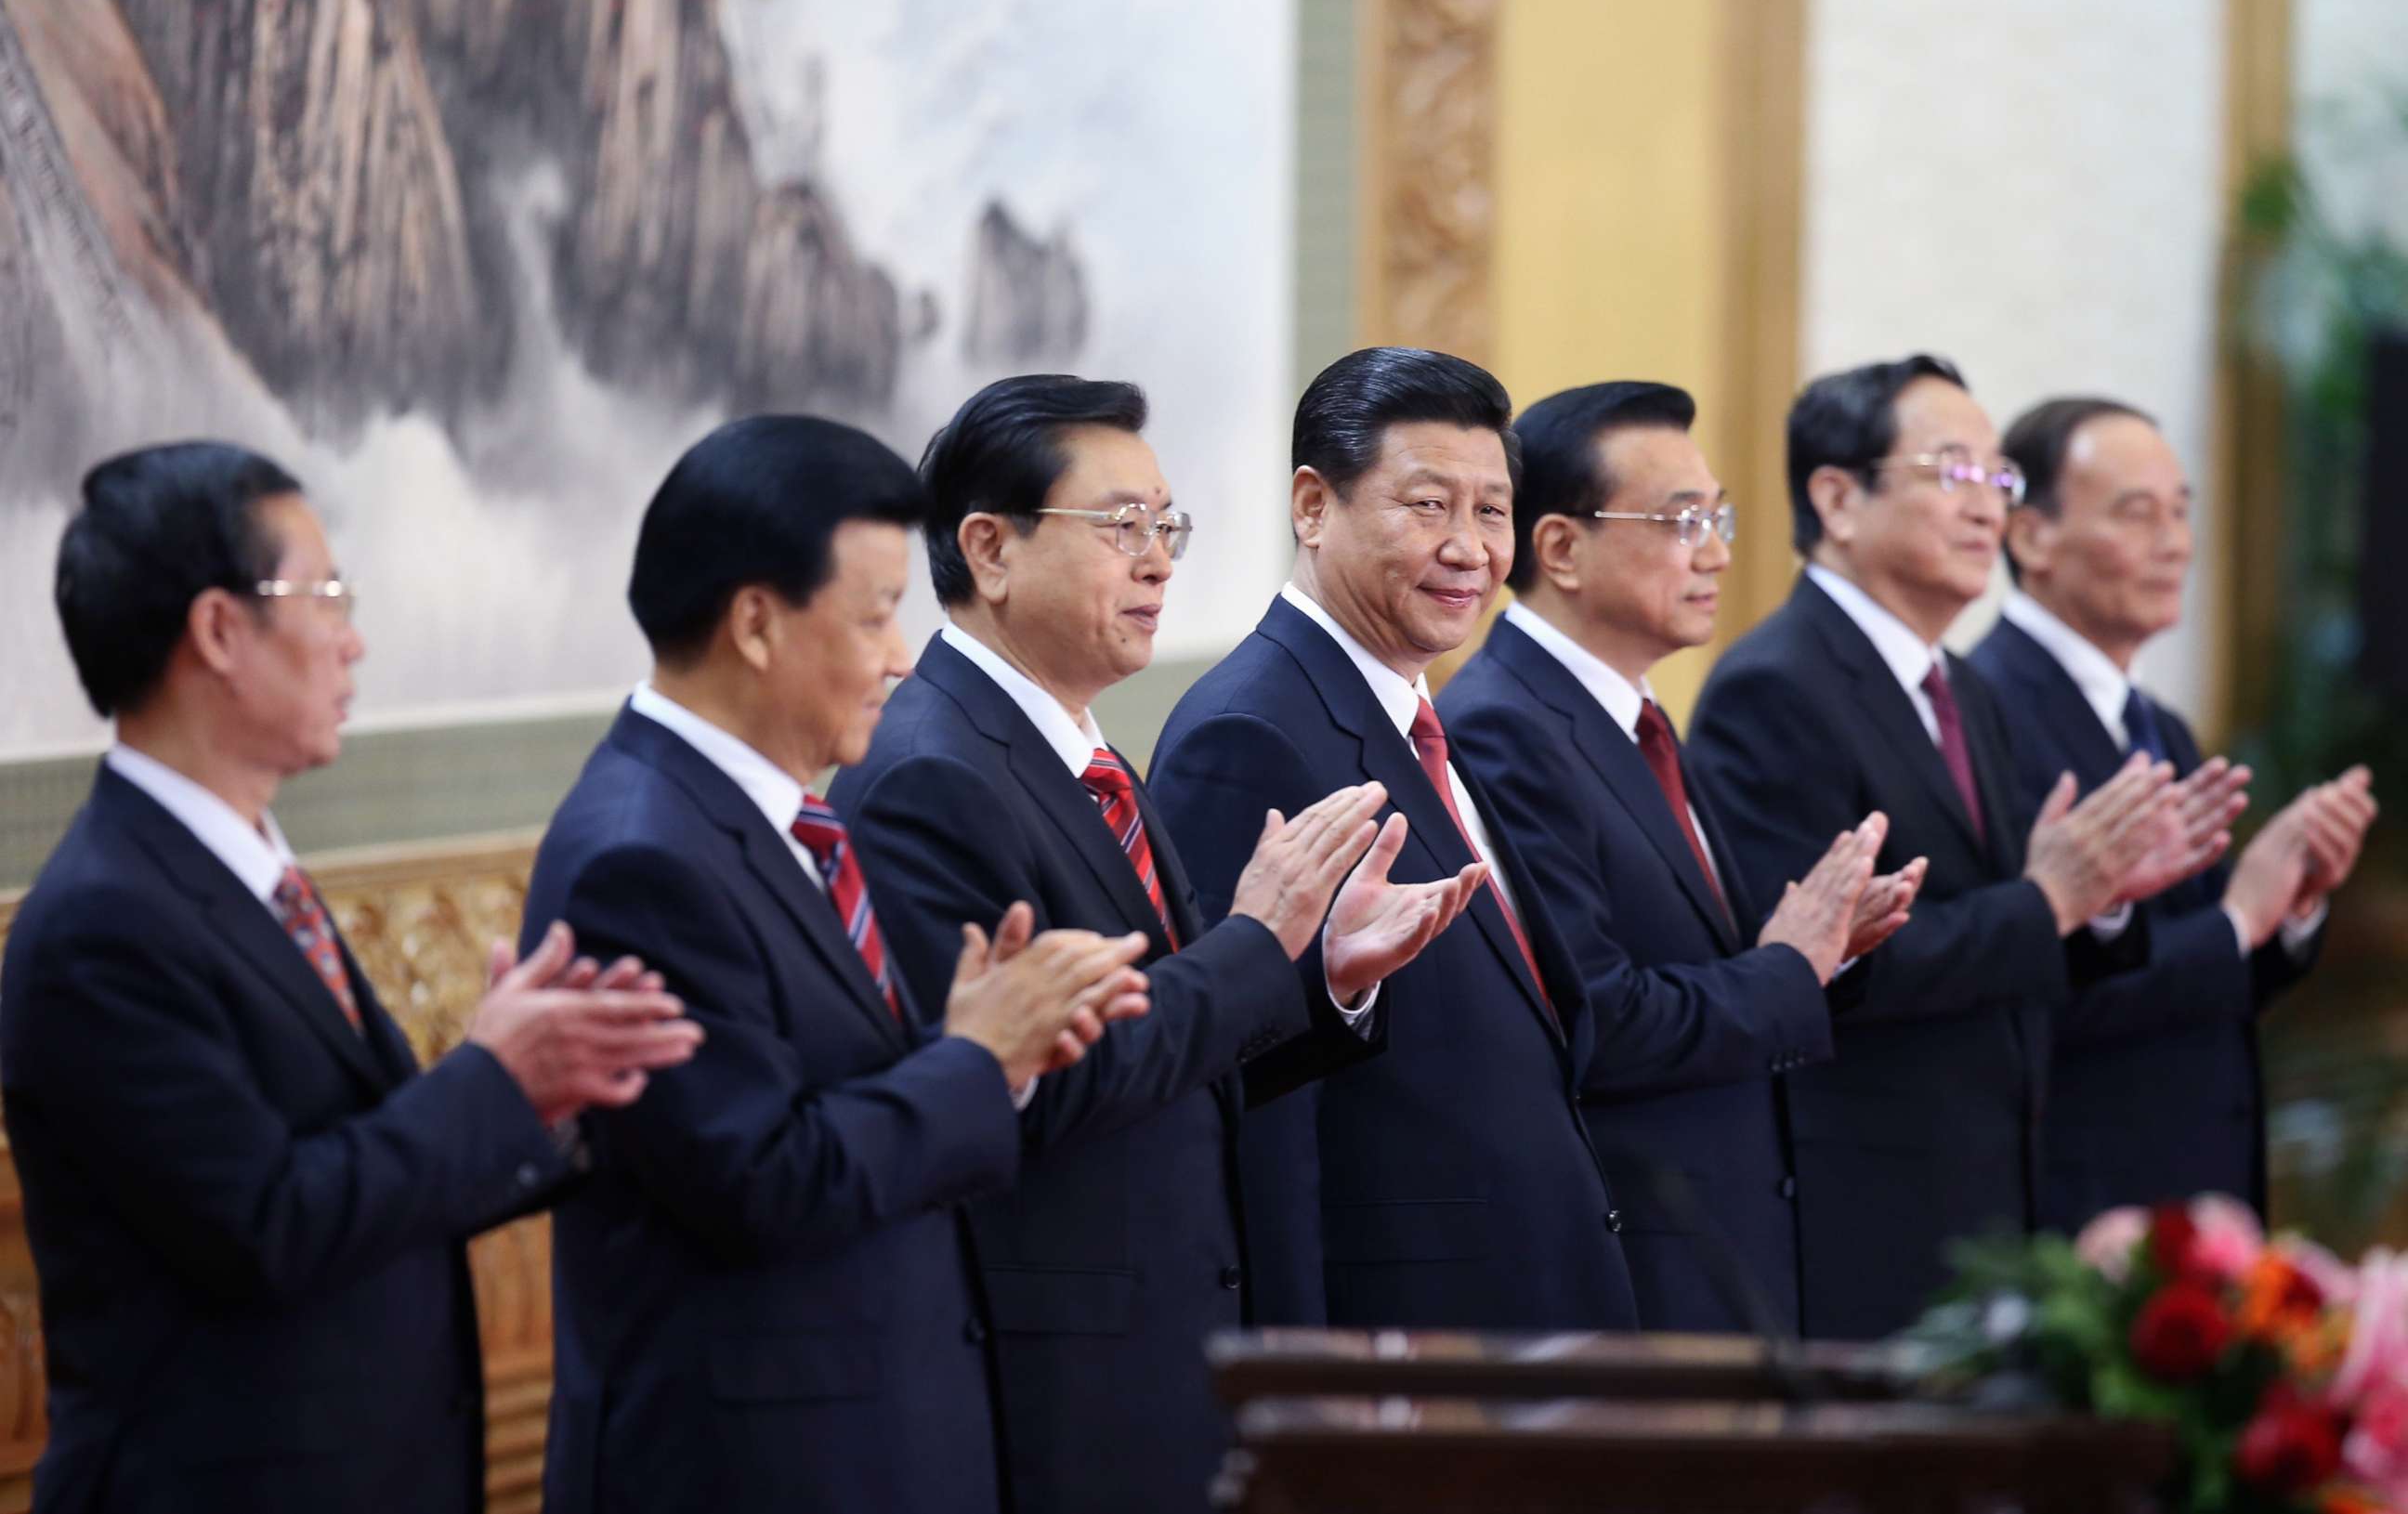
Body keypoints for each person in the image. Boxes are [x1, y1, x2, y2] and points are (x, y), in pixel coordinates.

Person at [0, 441, 702, 1514]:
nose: (353, 639)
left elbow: (361, 1163)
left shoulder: (245, 869)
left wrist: (547, 1095)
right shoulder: (104, 922)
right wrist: (490, 1075)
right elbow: (270, 1223)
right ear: (220, 630)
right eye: (325, 595)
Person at [831, 373, 1483, 1514]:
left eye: (1166, 527)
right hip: (1060, 1369)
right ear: (990, 548)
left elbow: (1187, 1061)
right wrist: (1257, 938)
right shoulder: (930, 770)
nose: (1158, 561)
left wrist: (1321, 974)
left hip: (1170, 1341)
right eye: (1121, 527)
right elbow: (1039, 1083)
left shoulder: (1079, 751)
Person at [521, 415, 1162, 1514]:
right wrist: (977, 1057)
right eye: (875, 615)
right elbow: (766, 1177)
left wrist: (963, 1047)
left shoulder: (765, 816)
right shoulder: (642, 854)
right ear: (758, 624)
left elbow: (826, 1093)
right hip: (749, 1465)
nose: (902, 655)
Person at [1685, 356, 2239, 1338]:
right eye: (1954, 472)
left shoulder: (1962, 691)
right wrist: (2052, 899)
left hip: (1996, 1192)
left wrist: (2104, 898)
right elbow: (1823, 972)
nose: (1987, 507)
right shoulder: (1772, 687)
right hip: (1863, 1204)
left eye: (2000, 479)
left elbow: (2016, 934)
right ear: (1838, 498)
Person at [1149, 346, 1644, 1330]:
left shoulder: (1413, 713)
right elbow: (1245, 1085)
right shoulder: (1247, 731)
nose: (1468, 547)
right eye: (1427, 506)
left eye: (1491, 511)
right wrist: (1300, 1374)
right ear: (1313, 505)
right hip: (1397, 1333)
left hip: (1523, 1300)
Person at [1437, 379, 1925, 1334]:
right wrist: (1789, 967)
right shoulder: (1502, 727)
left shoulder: (1639, 714)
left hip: (1727, 1241)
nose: (1717, 552)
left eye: (1720, 516)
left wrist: (1828, 951)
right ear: (1562, 548)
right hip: (1631, 1264)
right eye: (1681, 520)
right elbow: (1601, 1018)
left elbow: (1714, 969)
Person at [1970, 395, 2377, 1225]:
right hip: (2084, 1207)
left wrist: (2286, 909)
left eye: (2182, 512)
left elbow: (2205, 982)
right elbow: (2035, 994)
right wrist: (2235, 918)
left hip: (2196, 1194)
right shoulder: (1985, 713)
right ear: (2030, 534)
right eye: (2137, 514)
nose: (2176, 544)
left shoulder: (2158, 724)